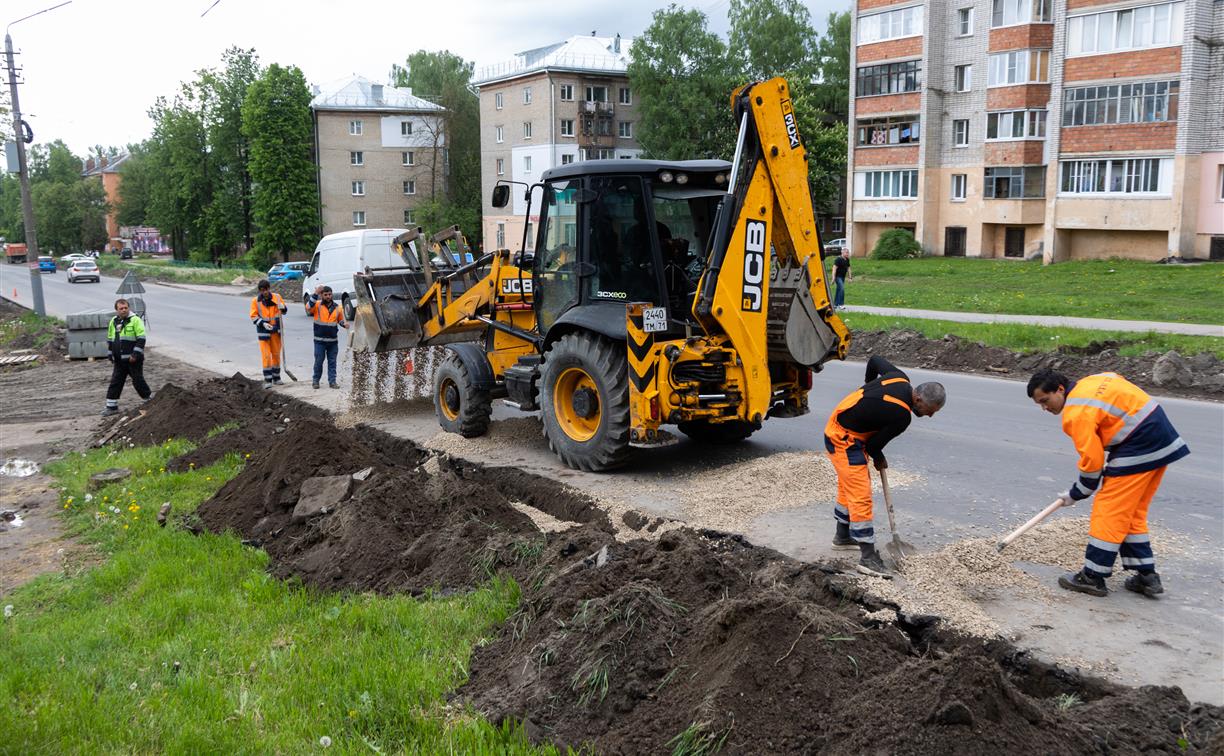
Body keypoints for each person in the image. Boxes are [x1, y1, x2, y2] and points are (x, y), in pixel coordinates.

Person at [1027, 369, 1189, 598]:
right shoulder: (1094, 380)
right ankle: (1147, 577)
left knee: (1109, 511)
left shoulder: (1076, 412)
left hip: (1138, 446)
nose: (1045, 408)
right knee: (1130, 512)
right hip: (1162, 439)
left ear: (1060, 389)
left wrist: (1077, 493)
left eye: (1045, 400)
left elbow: (1092, 463)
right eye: (1039, 404)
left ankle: (1093, 576)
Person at [825, 355, 946, 576]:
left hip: (842, 421)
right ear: (917, 398)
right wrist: (879, 457)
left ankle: (843, 536)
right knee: (860, 493)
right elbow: (873, 446)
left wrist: (866, 387)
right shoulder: (902, 416)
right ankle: (868, 557)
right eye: (930, 410)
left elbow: (874, 360)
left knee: (849, 485)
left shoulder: (899, 378)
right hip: (844, 439)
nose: (929, 415)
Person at [101, 298, 151, 416]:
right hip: (119, 360)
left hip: (133, 360)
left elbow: (141, 339)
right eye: (121, 308)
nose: (124, 310)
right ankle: (111, 406)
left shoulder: (135, 320)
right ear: (116, 310)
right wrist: (110, 353)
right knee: (116, 381)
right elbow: (110, 339)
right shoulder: (114, 321)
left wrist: (135, 354)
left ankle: (149, 400)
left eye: (125, 308)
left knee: (137, 380)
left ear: (129, 308)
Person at [305, 285, 347, 389]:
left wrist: (344, 324)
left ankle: (332, 382)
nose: (328, 296)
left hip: (333, 341)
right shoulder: (317, 305)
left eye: (329, 294)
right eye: (325, 295)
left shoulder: (338, 307)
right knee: (319, 361)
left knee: (332, 362)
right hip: (319, 341)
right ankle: (315, 381)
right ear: (322, 295)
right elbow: (308, 307)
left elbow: (340, 320)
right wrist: (315, 293)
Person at [250, 279, 288, 388]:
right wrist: (263, 324)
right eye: (262, 290)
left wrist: (283, 307)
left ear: (269, 288)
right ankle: (268, 380)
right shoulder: (255, 301)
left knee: (276, 355)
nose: (264, 292)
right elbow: (253, 316)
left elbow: (284, 311)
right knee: (266, 356)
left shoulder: (277, 297)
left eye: (266, 289)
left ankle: (276, 377)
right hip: (264, 332)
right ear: (259, 290)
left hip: (276, 331)